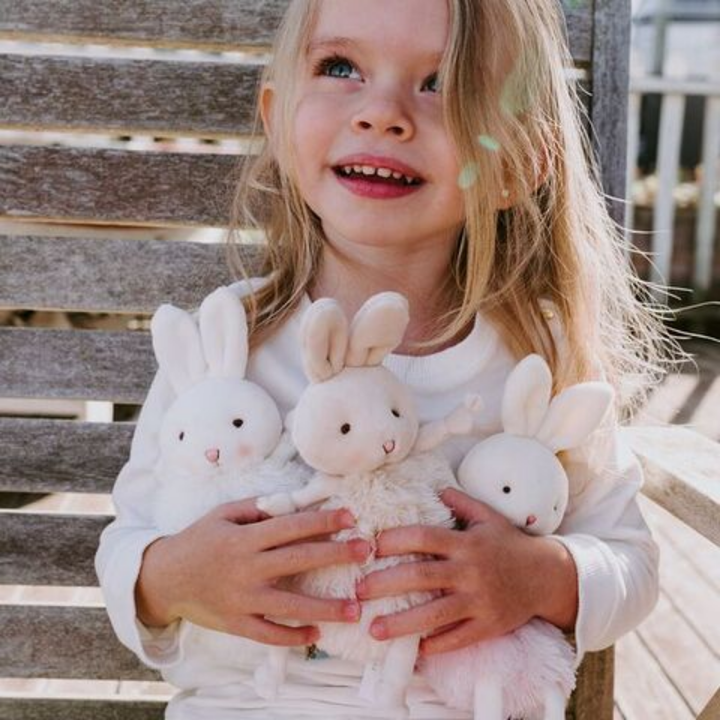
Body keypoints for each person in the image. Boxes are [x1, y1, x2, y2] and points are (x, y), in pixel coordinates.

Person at [96, 1, 680, 718]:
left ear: (519, 162)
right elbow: (129, 540)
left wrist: (539, 577)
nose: (383, 113)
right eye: (340, 67)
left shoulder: (540, 359)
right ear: (280, 121)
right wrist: (175, 577)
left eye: (441, 83)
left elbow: (632, 563)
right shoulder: (224, 344)